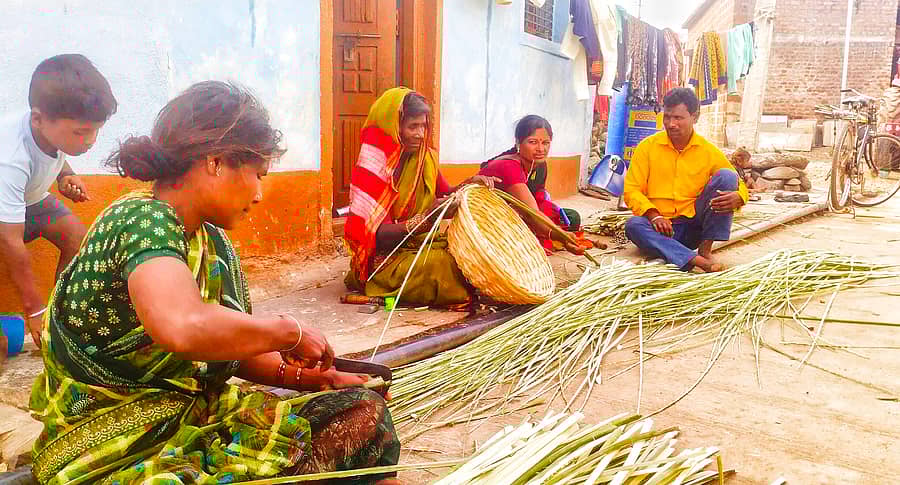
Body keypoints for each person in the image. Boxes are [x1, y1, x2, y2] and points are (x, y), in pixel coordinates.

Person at [29, 81, 400, 485]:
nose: (259, 194)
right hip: (114, 444)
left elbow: (227, 348)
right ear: (216, 161)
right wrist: (287, 332)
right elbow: (183, 326)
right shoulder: (140, 220)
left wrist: (318, 379)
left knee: (361, 412)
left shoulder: (208, 240)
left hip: (193, 420)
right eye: (257, 174)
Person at [0, 54, 117, 348]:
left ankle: (62, 317)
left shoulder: (52, 130)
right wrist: (33, 309)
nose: (90, 141)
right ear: (38, 119)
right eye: (81, 132)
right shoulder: (10, 157)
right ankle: (43, 316)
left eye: (95, 131)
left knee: (78, 239)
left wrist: (66, 175)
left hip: (31, 202)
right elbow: (10, 241)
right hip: (6, 217)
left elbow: (54, 152)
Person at [344, 87, 494, 308]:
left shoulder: (425, 158)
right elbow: (376, 236)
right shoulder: (373, 170)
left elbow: (446, 192)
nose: (420, 134)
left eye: (423, 126)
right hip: (384, 260)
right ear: (393, 128)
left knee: (470, 252)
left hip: (419, 244)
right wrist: (424, 220)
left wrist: (471, 183)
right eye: (412, 126)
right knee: (444, 265)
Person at [623, 88, 748, 272]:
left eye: (678, 118)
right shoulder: (647, 148)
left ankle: (705, 250)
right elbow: (631, 191)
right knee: (633, 225)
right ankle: (697, 261)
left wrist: (740, 197)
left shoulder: (707, 151)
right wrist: (654, 215)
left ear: (695, 117)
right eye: (667, 117)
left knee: (727, 176)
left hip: (693, 228)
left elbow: (738, 181)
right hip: (659, 228)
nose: (671, 124)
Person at [478, 115, 585, 255]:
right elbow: (532, 213)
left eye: (546, 143)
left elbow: (539, 200)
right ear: (518, 142)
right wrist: (562, 237)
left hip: (523, 212)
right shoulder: (509, 166)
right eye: (533, 142)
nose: (541, 149)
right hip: (492, 219)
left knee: (571, 217)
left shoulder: (540, 165)